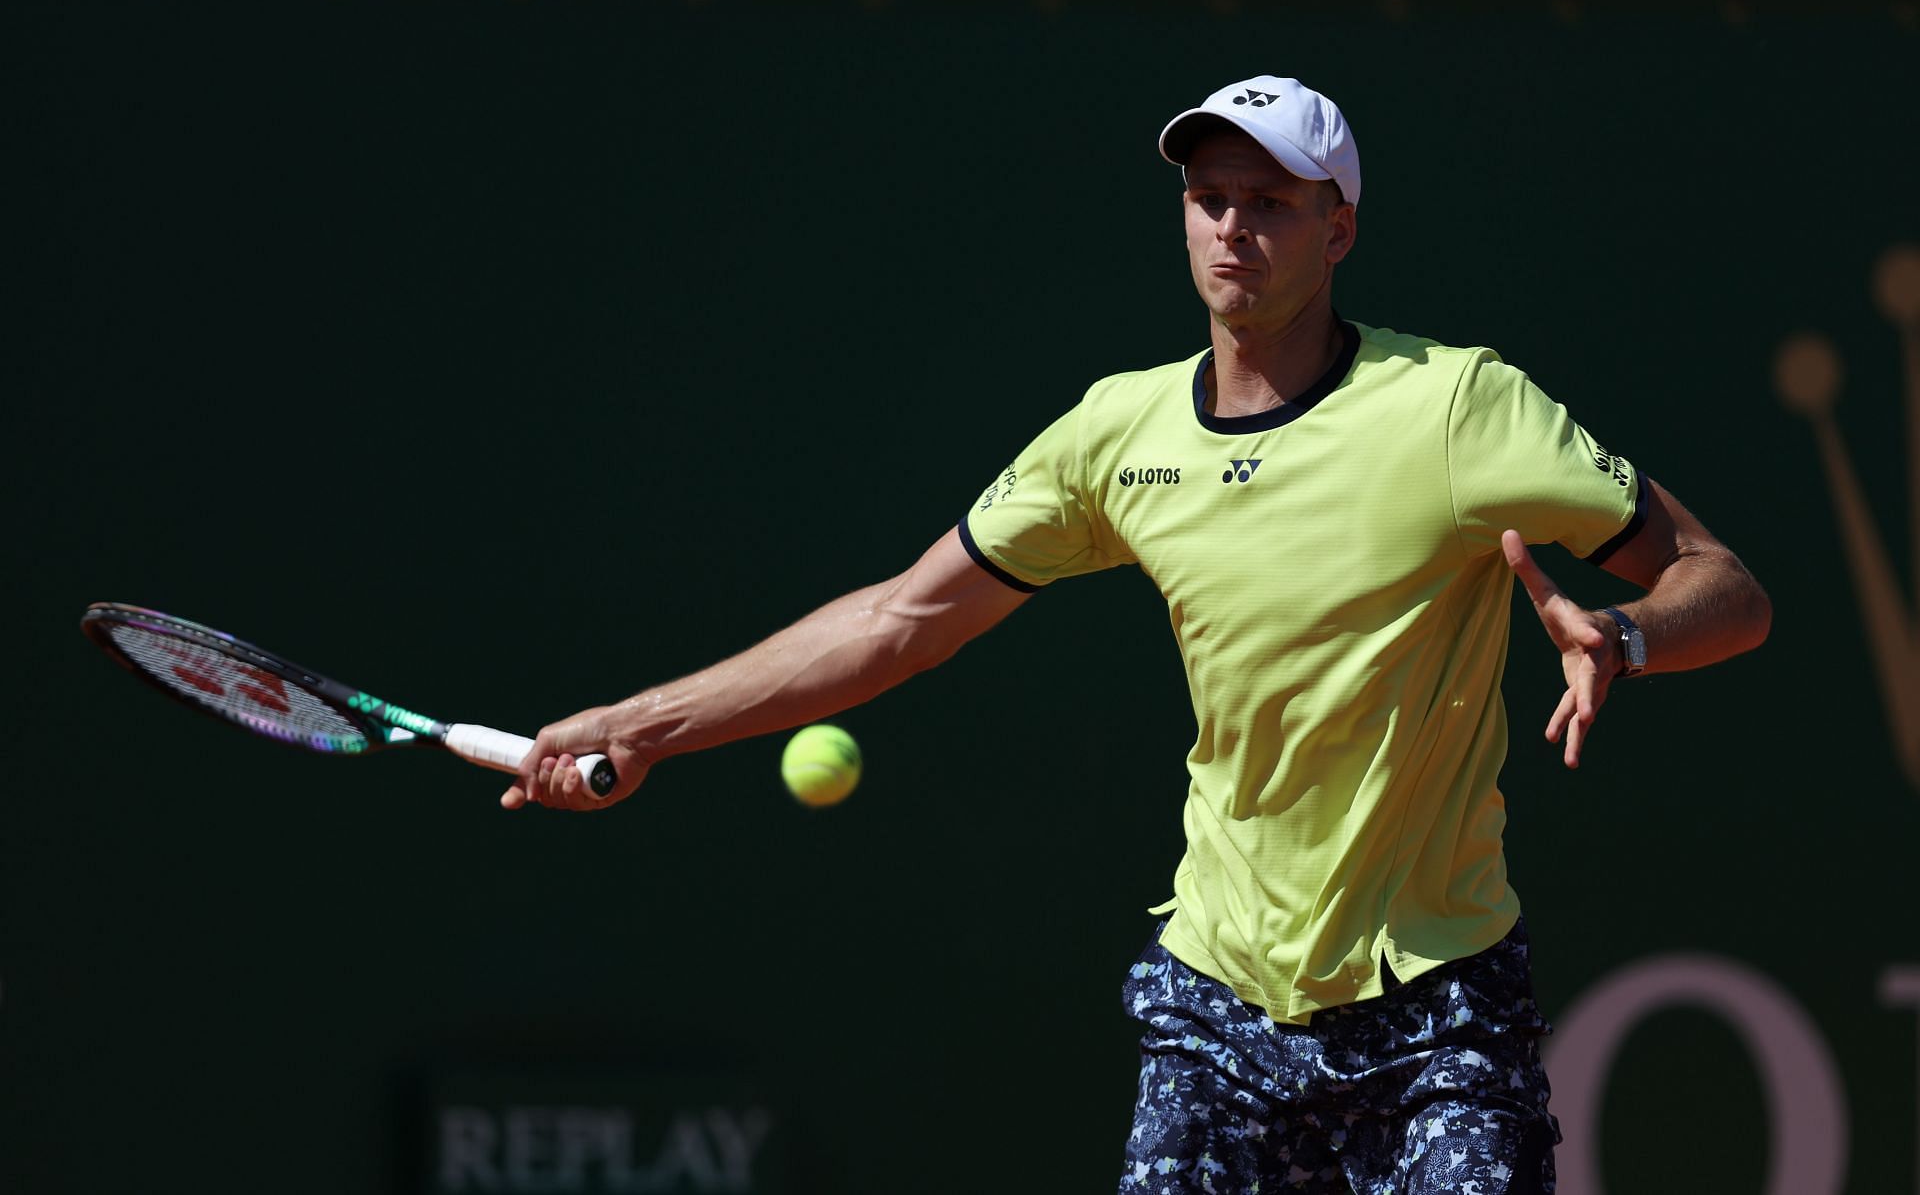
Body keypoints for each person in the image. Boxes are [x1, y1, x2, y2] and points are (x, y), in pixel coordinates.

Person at [503, 75, 1770, 1194]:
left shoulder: (1456, 405)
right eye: (1211, 196)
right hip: (1217, 995)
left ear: (1339, 230)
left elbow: (1727, 586)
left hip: (1438, 1005)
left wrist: (1624, 633)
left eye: (1272, 201)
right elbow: (901, 620)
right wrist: (642, 724)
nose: (1234, 226)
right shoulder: (1117, 434)